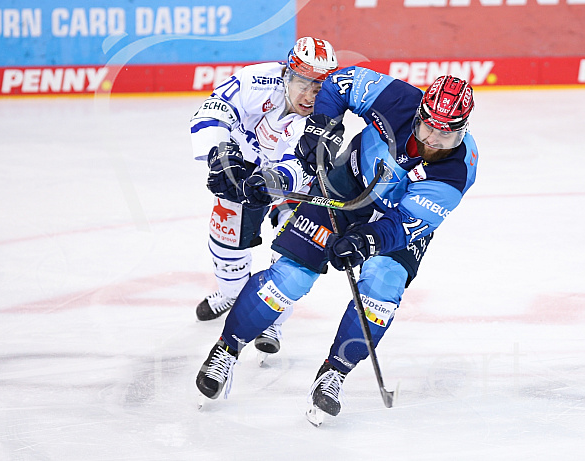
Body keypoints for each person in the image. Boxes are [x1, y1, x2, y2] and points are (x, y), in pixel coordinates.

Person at [195, 68, 478, 421]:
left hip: (395, 224)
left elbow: (405, 225)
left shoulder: (456, 172)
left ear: (463, 132)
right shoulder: (396, 98)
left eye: (446, 137)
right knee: (291, 278)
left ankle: (334, 373)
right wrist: (322, 126)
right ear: (418, 114)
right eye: (428, 129)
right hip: (346, 185)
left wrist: (366, 241)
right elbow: (337, 84)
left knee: (381, 290)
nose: (434, 142)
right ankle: (226, 350)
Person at [189, 37, 339, 355]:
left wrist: (273, 182)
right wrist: (218, 153)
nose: (310, 96)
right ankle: (232, 293)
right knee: (225, 243)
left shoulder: (326, 114)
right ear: (287, 74)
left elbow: (304, 161)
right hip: (242, 167)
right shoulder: (257, 79)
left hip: (291, 183)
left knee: (293, 250)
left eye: (319, 88)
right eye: (303, 83)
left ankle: (271, 318)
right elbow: (215, 108)